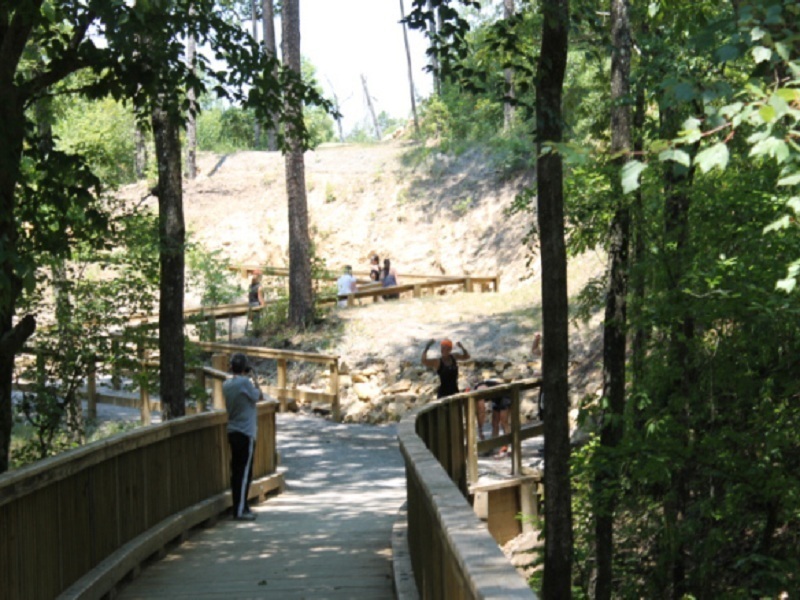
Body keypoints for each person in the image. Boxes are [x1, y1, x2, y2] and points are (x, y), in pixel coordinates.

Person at [223, 352, 264, 521]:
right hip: (246, 432)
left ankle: (241, 506)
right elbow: (258, 396)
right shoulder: (245, 383)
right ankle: (240, 511)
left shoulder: (226, 384)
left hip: (233, 430)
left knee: (237, 472)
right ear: (244, 367)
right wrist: (253, 376)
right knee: (244, 473)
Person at [475, 379, 511, 456]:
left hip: (504, 394)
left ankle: (507, 446)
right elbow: (479, 413)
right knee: (494, 423)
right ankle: (494, 445)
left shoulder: (479, 393)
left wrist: (480, 429)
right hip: (496, 398)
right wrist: (480, 428)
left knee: (503, 421)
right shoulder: (476, 393)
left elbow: (481, 411)